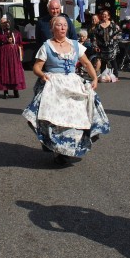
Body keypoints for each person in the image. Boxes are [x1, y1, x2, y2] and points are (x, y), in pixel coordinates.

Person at [22, 16, 110, 166]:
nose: (63, 28)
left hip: (73, 83)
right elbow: (36, 67)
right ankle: (58, 149)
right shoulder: (47, 46)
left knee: (75, 117)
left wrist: (95, 78)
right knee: (55, 119)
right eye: (59, 25)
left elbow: (86, 63)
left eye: (65, 25)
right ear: (52, 28)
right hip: (54, 85)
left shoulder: (75, 45)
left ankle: (68, 148)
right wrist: (42, 75)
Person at [0, 14, 26, 99]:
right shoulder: (0, 32)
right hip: (4, 54)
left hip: (14, 54)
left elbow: (19, 42)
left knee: (14, 71)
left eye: (6, 22)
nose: (4, 24)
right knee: (4, 71)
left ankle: (16, 90)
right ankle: (5, 91)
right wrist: (6, 38)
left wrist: (20, 52)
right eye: (3, 23)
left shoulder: (16, 32)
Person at [91, 9, 122, 78]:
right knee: (103, 61)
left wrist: (116, 37)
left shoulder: (113, 25)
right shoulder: (98, 25)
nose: (104, 16)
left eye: (105, 15)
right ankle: (103, 76)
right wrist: (95, 46)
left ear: (108, 16)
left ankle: (116, 76)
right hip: (102, 47)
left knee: (113, 61)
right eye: (103, 15)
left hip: (111, 46)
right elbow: (95, 37)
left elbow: (120, 33)